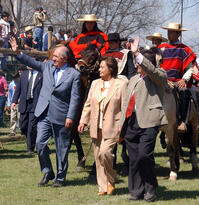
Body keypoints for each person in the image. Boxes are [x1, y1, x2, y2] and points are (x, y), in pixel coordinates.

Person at [9, 37, 81, 187]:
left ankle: (60, 178)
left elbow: (75, 99)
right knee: (40, 143)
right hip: (43, 113)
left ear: (64, 59)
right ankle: (48, 171)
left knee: (61, 148)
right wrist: (18, 53)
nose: (52, 59)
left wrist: (70, 117)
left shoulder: (74, 75)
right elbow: (32, 62)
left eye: (55, 56)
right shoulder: (47, 66)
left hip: (61, 115)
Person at [119, 37, 169, 202]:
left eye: (139, 62)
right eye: (136, 62)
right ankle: (136, 191)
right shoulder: (133, 79)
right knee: (133, 159)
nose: (137, 64)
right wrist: (121, 126)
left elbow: (153, 71)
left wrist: (137, 53)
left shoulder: (158, 76)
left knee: (144, 156)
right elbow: (126, 103)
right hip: (131, 122)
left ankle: (150, 188)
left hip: (148, 122)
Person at [78, 56, 127, 195]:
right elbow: (88, 104)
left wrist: (122, 126)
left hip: (113, 126)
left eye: (102, 67)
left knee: (105, 153)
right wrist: (83, 121)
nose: (99, 69)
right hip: (96, 126)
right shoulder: (95, 84)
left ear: (110, 69)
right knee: (98, 158)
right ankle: (103, 187)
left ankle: (111, 179)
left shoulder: (121, 84)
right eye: (99, 67)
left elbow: (124, 107)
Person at [158, 23, 199, 133]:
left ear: (178, 34)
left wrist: (184, 80)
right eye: (168, 31)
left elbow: (190, 68)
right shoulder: (161, 48)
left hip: (177, 81)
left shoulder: (185, 49)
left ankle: (182, 122)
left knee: (184, 92)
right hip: (162, 81)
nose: (169, 34)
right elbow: (156, 65)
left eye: (172, 32)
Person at [11, 67, 42, 154]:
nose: (29, 65)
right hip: (24, 103)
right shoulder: (24, 74)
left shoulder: (41, 75)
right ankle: (32, 138)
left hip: (35, 104)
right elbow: (18, 90)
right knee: (23, 125)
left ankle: (30, 148)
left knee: (31, 126)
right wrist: (14, 101)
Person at [7, 72, 20, 136]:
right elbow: (9, 94)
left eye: (16, 78)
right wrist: (9, 103)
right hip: (13, 103)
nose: (15, 79)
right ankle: (12, 131)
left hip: (20, 103)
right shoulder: (11, 84)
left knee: (20, 117)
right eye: (14, 78)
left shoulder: (21, 83)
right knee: (13, 117)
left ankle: (22, 130)